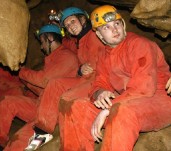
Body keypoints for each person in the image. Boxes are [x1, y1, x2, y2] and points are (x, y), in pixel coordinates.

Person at [59, 5, 171, 151]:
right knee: (77, 107)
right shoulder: (105, 55)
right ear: (99, 35)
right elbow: (99, 82)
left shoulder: (139, 44)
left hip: (159, 100)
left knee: (121, 111)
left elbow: (144, 88)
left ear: (123, 25)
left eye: (117, 24)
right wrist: (100, 93)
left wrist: (106, 110)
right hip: (127, 99)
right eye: (106, 27)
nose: (114, 29)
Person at [22, 6, 105, 148]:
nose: (70, 27)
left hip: (98, 80)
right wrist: (79, 69)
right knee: (55, 84)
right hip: (85, 79)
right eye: (66, 25)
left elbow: (106, 56)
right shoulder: (78, 40)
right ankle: (42, 131)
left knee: (66, 99)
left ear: (82, 18)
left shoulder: (96, 35)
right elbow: (66, 44)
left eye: (72, 21)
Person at [0, 24, 79, 151]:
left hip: (53, 111)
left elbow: (44, 80)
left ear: (50, 38)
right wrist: (27, 84)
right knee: (6, 102)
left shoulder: (66, 57)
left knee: (17, 140)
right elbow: (43, 88)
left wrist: (22, 71)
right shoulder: (53, 59)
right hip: (41, 105)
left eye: (42, 42)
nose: (41, 47)